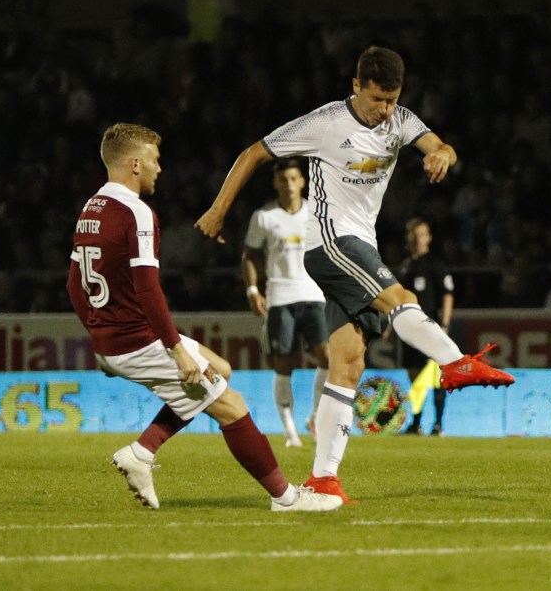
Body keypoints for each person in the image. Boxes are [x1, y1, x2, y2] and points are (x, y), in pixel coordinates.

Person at [195, 46, 515, 504]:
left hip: (361, 245)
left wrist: (443, 154)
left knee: (347, 364)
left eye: (391, 99)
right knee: (398, 295)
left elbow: (440, 144)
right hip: (329, 243)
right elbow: (253, 154)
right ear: (356, 87)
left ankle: (324, 479)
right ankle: (453, 362)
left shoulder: (400, 120)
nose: (383, 110)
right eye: (375, 100)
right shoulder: (324, 123)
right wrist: (217, 209)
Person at [66, 123, 341, 513]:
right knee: (232, 405)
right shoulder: (137, 213)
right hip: (138, 340)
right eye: (154, 159)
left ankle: (142, 453)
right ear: (134, 164)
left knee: (221, 369)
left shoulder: (91, 208)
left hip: (117, 340)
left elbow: (74, 285)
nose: (160, 168)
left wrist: (99, 340)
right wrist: (176, 350)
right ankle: (286, 497)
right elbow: (148, 290)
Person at [242, 157, 330, 448]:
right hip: (280, 296)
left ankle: (316, 417)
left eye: (293, 179)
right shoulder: (264, 217)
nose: (289, 185)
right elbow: (250, 256)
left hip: (314, 293)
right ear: (276, 183)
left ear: (302, 181)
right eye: (283, 180)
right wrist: (253, 290)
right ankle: (290, 431)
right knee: (284, 362)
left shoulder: (316, 213)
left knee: (327, 357)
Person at [397, 217, 454, 436]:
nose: (417, 239)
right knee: (414, 376)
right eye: (414, 235)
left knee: (435, 375)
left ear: (428, 237)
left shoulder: (435, 264)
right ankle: (416, 422)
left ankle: (438, 424)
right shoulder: (406, 265)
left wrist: (445, 324)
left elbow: (447, 295)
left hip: (431, 327)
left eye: (421, 234)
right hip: (409, 329)